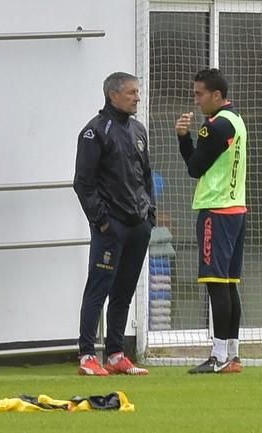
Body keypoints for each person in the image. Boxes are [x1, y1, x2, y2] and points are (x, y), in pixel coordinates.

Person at [73, 72, 155, 376]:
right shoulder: (95, 132)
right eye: (132, 92)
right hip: (112, 227)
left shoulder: (138, 130)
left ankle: (116, 353)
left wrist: (150, 215)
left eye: (137, 92)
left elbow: (146, 176)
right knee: (99, 287)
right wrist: (103, 222)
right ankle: (86, 356)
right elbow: (83, 182)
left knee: (124, 289)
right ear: (113, 95)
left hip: (138, 225)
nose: (137, 97)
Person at [175, 68, 247, 374]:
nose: (197, 100)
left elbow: (194, 167)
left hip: (216, 210)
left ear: (217, 95)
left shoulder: (215, 127)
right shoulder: (237, 120)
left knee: (217, 284)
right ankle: (233, 354)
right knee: (229, 284)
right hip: (237, 209)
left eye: (199, 94)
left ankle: (218, 356)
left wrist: (182, 138)